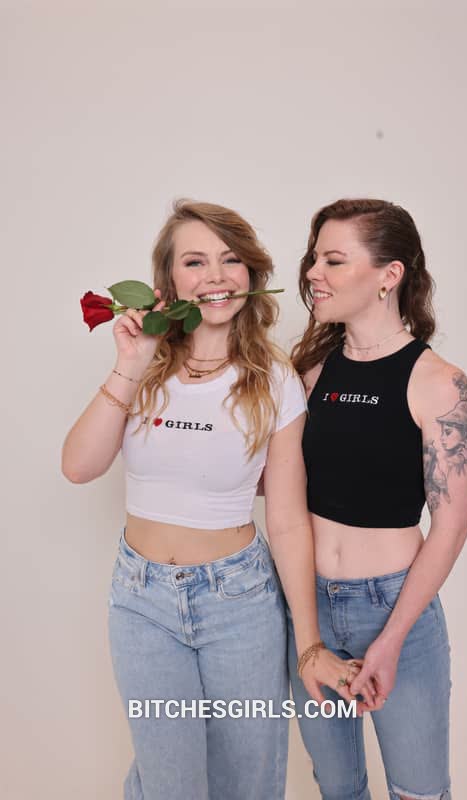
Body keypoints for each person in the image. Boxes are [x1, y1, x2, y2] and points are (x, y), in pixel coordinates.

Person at [61, 199, 360, 800]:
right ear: (169, 280)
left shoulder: (274, 379)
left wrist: (308, 643)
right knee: (167, 784)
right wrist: (129, 364)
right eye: (194, 262)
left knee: (245, 781)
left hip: (239, 604)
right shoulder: (144, 366)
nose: (215, 276)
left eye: (230, 260)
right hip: (142, 604)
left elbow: (286, 518)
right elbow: (78, 466)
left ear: (250, 273)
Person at [287, 198, 467, 800]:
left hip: (395, 606)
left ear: (389, 275)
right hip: (309, 607)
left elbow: (451, 526)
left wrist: (390, 640)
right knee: (337, 789)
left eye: (334, 260)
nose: (314, 272)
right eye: (315, 258)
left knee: (419, 792)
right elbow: (274, 485)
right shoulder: (310, 373)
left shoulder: (437, 382)